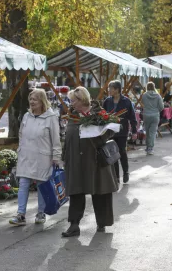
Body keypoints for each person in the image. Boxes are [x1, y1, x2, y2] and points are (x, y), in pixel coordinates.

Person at [61, 87, 118, 237]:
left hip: (96, 159)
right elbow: (68, 138)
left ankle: (102, 223)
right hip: (76, 160)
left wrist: (100, 134)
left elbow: (111, 130)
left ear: (82, 100)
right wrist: (65, 156)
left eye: (73, 100)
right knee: (76, 192)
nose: (71, 103)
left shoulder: (99, 114)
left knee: (100, 191)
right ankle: (74, 225)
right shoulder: (72, 116)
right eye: (71, 100)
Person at [9, 89, 62, 226]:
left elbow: (56, 139)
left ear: (42, 101)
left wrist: (56, 156)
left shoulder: (51, 117)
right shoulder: (27, 116)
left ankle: (41, 212)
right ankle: (20, 215)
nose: (32, 102)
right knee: (23, 184)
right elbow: (21, 134)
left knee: (41, 185)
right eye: (31, 99)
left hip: (43, 157)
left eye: (35, 99)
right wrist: (20, 149)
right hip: (26, 155)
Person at [103, 80, 137, 184]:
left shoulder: (126, 101)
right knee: (113, 154)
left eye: (111, 89)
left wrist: (134, 131)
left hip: (122, 131)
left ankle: (126, 172)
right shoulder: (107, 101)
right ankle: (116, 176)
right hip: (110, 132)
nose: (109, 90)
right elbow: (102, 114)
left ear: (117, 89)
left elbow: (132, 117)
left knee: (122, 151)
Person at [141, 82, 164, 155]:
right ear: (154, 87)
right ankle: (150, 148)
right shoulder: (158, 96)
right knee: (153, 132)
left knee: (147, 131)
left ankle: (147, 147)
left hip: (146, 115)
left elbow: (142, 104)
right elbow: (161, 107)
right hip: (155, 115)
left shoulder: (144, 95)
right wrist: (156, 110)